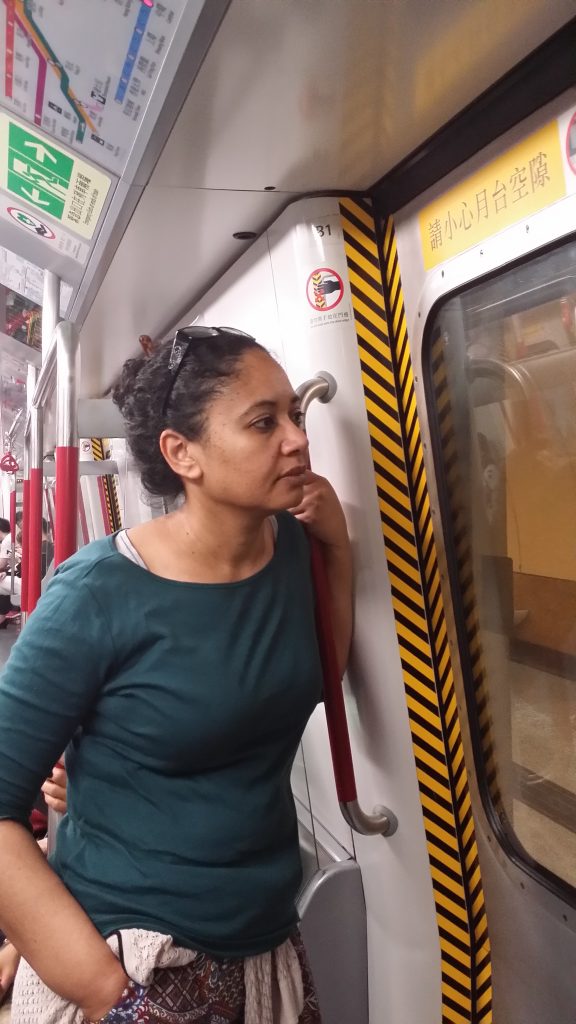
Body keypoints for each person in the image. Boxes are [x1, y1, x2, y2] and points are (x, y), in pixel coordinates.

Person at [0, 327, 352, 1023]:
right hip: (133, 960)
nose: (296, 439)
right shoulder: (96, 594)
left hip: (265, 945)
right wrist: (115, 999)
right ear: (181, 453)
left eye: (295, 415)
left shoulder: (293, 552)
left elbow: (320, 674)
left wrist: (338, 548)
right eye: (263, 422)